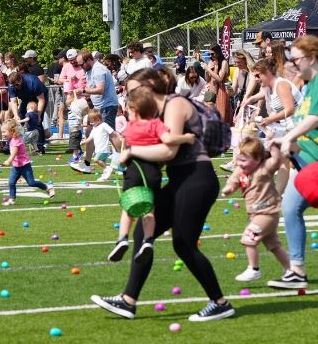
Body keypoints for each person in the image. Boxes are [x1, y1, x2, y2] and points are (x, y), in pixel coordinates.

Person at [91, 67, 234, 322]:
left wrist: (133, 152)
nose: (128, 96)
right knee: (142, 233)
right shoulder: (155, 114)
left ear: (149, 86)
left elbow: (168, 152)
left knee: (183, 243)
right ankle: (128, 301)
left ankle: (220, 302)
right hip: (181, 179)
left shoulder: (174, 104)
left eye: (132, 90)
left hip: (197, 178)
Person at [108, 86, 197, 265]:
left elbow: (123, 150)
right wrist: (186, 138)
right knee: (150, 209)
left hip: (134, 170)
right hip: (152, 171)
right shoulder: (156, 124)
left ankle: (122, 238)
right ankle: (148, 241)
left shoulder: (130, 127)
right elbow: (168, 140)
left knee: (128, 207)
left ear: (134, 110)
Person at [268, 35, 318, 289]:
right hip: (307, 165)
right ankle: (296, 270)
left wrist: (289, 136)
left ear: (310, 57)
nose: (292, 64)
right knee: (289, 208)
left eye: (296, 59)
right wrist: (282, 141)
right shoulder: (309, 85)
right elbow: (303, 123)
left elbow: (313, 119)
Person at [222, 137, 289, 282]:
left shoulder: (264, 168)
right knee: (274, 246)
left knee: (249, 238)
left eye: (244, 160)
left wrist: (273, 146)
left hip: (268, 213)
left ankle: (254, 269)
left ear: (258, 159)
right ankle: (291, 270)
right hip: (254, 214)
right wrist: (229, 189)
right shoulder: (240, 171)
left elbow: (276, 161)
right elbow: (233, 181)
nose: (240, 163)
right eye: (238, 159)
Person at [0, 118, 55, 205]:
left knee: (31, 183)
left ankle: (47, 188)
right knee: (11, 182)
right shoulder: (12, 140)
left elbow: (14, 153)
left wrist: (8, 161)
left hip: (24, 165)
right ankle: (12, 199)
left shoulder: (16, 141)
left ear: (12, 131)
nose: (3, 134)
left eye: (4, 132)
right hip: (16, 166)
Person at [246, 58, 301, 138]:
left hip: (299, 127)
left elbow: (290, 110)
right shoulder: (269, 88)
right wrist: (250, 99)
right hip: (290, 128)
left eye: (257, 75)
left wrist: (269, 119)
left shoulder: (281, 85)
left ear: (267, 72)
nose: (256, 79)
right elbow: (262, 94)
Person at [80, 50, 119, 129]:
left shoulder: (98, 69)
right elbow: (92, 89)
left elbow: (100, 90)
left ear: (88, 60)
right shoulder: (89, 70)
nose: (81, 67)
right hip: (98, 107)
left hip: (107, 106)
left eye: (81, 64)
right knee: (94, 133)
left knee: (109, 135)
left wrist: (83, 91)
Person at [205, 44, 231, 123]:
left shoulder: (224, 63)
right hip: (211, 91)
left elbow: (220, 78)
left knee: (220, 116)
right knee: (209, 116)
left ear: (218, 53)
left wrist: (209, 70)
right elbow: (207, 80)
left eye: (212, 54)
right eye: (209, 54)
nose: (211, 56)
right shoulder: (210, 62)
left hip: (221, 91)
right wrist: (207, 71)